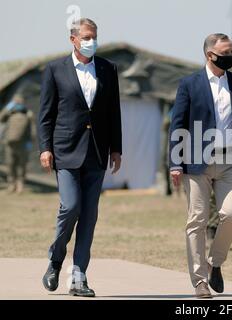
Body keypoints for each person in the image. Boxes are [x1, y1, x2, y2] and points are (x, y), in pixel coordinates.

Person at [39, 18, 122, 297]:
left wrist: (116, 148)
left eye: (94, 36)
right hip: (65, 150)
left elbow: (113, 113)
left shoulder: (108, 69)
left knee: (89, 216)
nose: (92, 41)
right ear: (73, 39)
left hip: (97, 152)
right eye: (86, 37)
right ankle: (55, 258)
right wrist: (45, 147)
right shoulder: (54, 70)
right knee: (71, 207)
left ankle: (78, 276)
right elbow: (46, 114)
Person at [168, 33, 232, 298]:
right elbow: (178, 124)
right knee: (197, 220)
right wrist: (175, 162)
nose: (230, 56)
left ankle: (214, 263)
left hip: (229, 160)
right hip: (196, 162)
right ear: (210, 55)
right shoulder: (189, 84)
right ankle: (199, 281)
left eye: (231, 51)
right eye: (225, 52)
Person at [0, 94, 35, 194]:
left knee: (21, 165)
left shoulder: (28, 114)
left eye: (19, 101)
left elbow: (32, 129)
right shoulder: (9, 113)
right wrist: (7, 108)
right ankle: (12, 184)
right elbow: (1, 118)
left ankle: (20, 185)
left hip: (22, 144)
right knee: (10, 164)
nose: (18, 103)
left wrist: (30, 141)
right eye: (16, 102)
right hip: (9, 143)